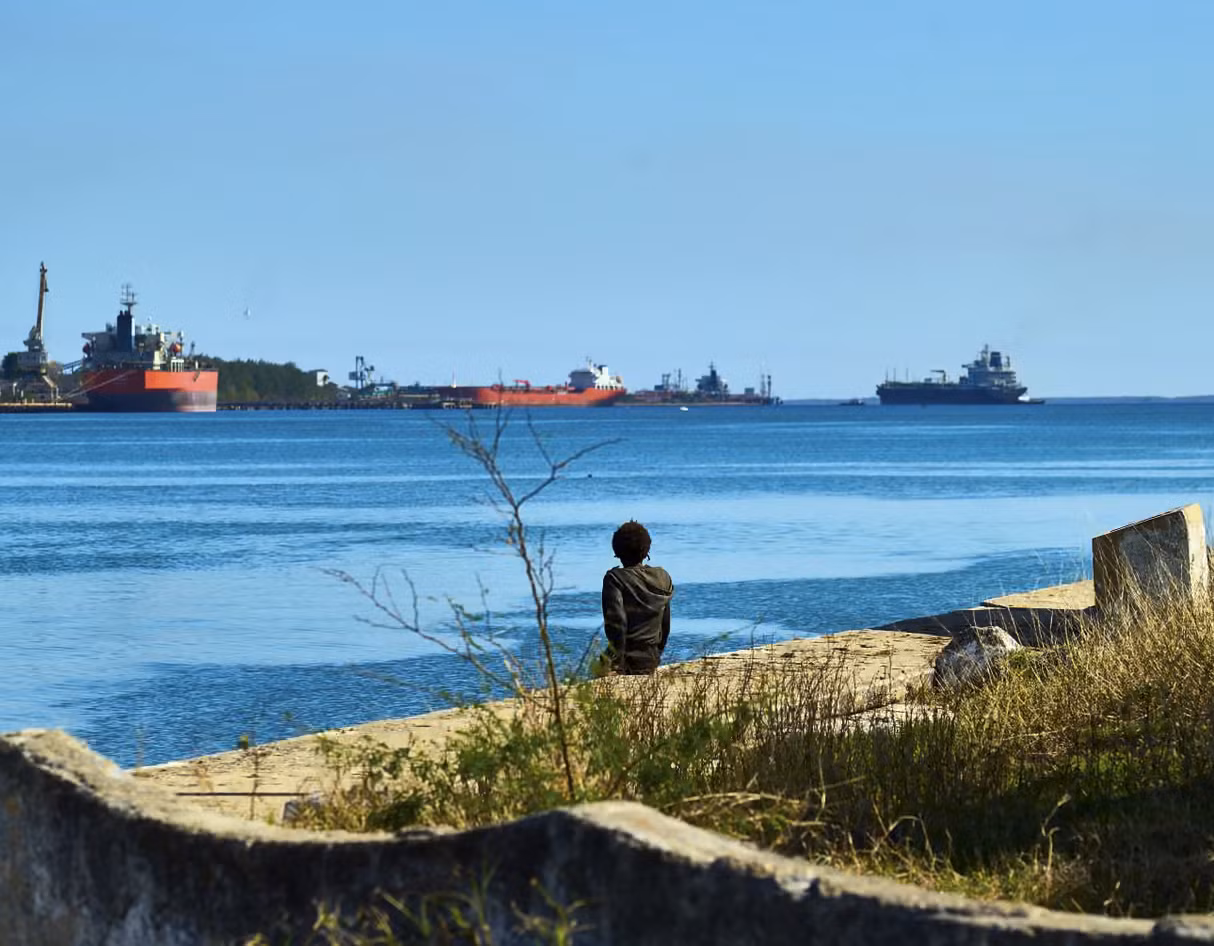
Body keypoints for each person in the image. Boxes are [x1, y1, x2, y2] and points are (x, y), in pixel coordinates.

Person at [602, 521, 675, 674]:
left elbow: (617, 624)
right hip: (651, 656)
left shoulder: (614, 579)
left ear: (617, 551)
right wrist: (657, 654)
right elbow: (665, 624)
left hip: (626, 658)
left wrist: (617, 662)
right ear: (647, 549)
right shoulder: (663, 576)